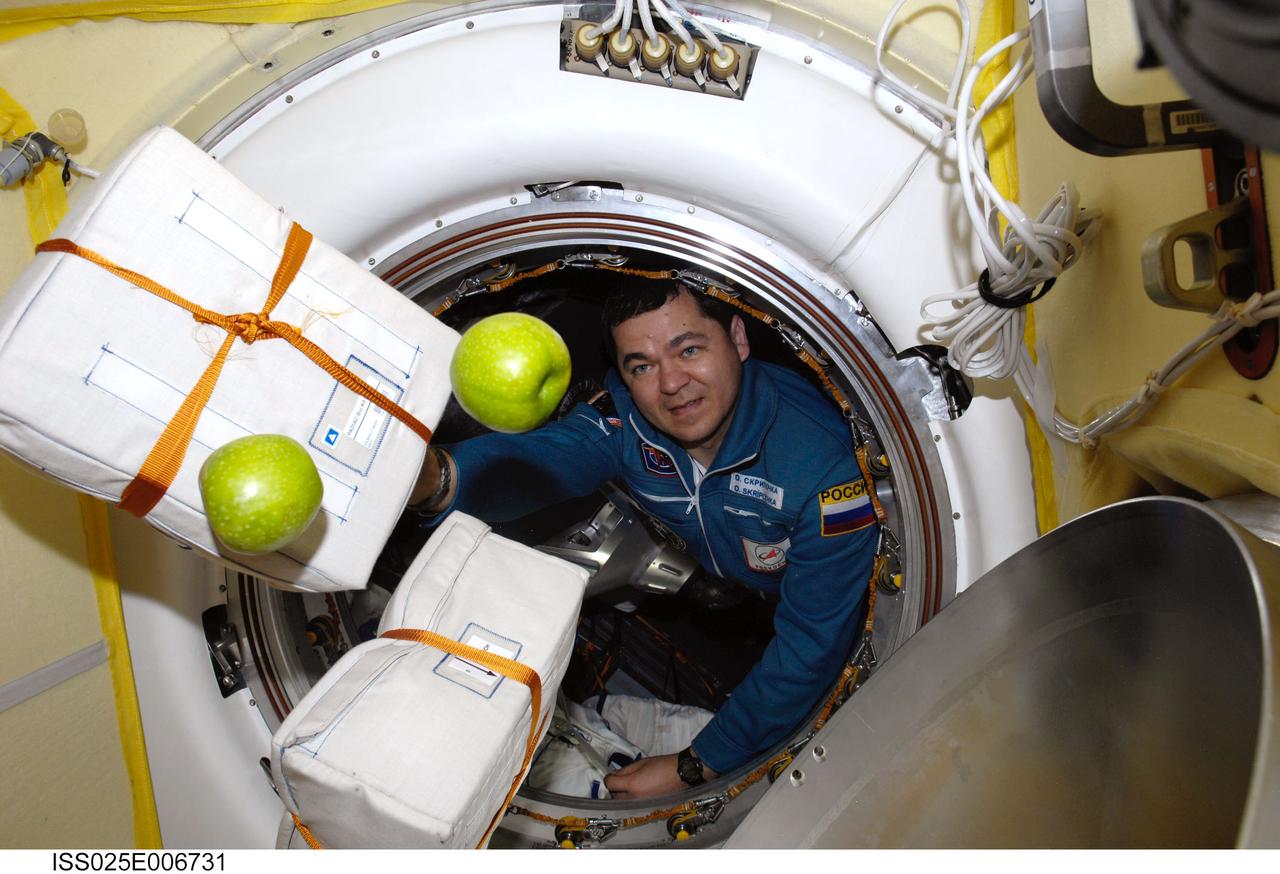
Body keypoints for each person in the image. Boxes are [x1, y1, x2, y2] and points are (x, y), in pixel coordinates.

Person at [408, 281, 878, 799]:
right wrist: (436, 480)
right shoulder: (629, 419)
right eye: (642, 366)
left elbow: (811, 647)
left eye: (689, 350)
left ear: (739, 339)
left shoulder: (826, 470)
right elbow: (550, 457)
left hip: (823, 602)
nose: (671, 383)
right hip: (735, 580)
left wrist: (697, 765)